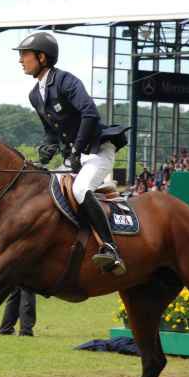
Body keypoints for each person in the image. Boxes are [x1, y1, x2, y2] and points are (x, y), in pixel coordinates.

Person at [14, 32, 128, 275]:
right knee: (46, 192)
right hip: (73, 159)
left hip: (96, 151)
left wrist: (76, 150)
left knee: (79, 189)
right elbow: (51, 132)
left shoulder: (66, 81)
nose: (21, 60)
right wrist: (45, 151)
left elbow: (90, 114)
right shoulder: (35, 95)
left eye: (25, 55)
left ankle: (110, 247)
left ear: (42, 57)